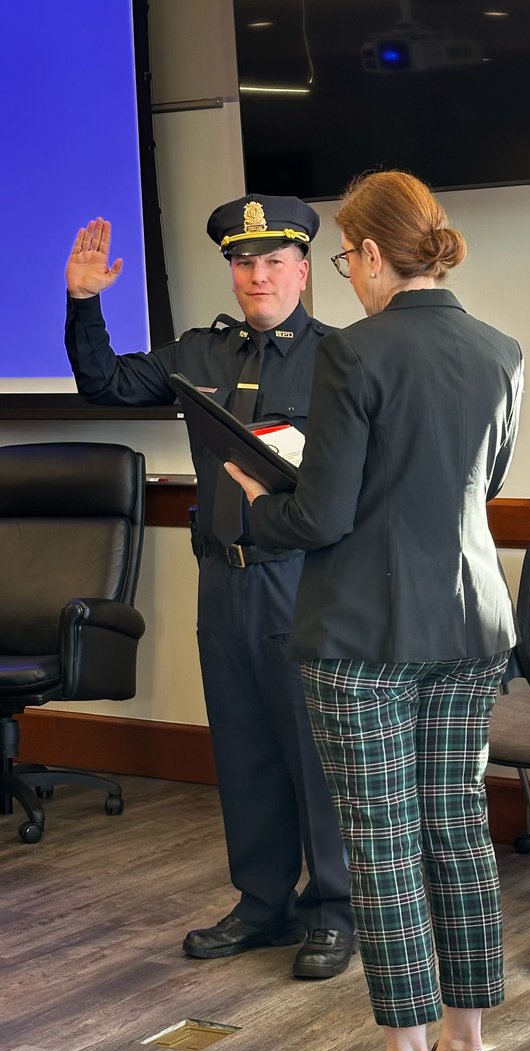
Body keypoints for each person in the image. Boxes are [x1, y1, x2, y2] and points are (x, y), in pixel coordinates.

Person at [226, 170, 522, 1051]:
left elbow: (325, 513)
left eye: (345, 257)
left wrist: (255, 497)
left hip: (363, 639)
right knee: (457, 837)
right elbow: (475, 486)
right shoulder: (500, 350)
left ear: (366, 254)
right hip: (471, 626)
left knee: (387, 850)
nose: (345, 274)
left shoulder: (354, 354)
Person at [63, 196, 355, 979]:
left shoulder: (341, 357)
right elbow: (107, 385)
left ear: (301, 270)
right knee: (246, 746)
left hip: (300, 581)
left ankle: (335, 911)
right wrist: (85, 302)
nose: (256, 276)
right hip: (222, 580)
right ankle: (264, 905)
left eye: (271, 262)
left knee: (313, 751)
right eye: (242, 263)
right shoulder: (201, 352)